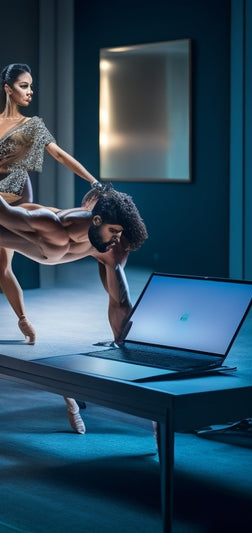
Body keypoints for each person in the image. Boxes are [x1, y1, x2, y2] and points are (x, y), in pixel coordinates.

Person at [0, 184, 148, 433]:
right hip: (18, 227)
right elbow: (5, 213)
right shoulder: (49, 223)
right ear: (96, 218)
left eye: (119, 232)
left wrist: (133, 360)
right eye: (113, 231)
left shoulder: (112, 247)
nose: (116, 239)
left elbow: (120, 303)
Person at [0, 62, 100, 344]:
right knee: (1, 267)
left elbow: (60, 155)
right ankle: (23, 319)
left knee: (8, 259)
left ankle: (22, 319)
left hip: (17, 195)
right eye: (24, 86)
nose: (30, 91)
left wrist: (93, 181)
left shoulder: (33, 125)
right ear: (8, 89)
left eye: (31, 86)